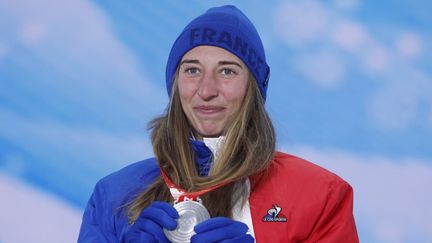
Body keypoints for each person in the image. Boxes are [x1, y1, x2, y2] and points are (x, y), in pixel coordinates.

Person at [78, 5, 359, 243]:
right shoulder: (114, 195)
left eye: (226, 71)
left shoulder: (319, 195)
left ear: (254, 87)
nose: (207, 89)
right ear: (175, 84)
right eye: (192, 70)